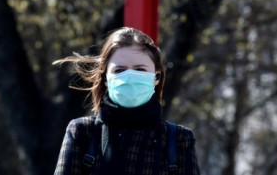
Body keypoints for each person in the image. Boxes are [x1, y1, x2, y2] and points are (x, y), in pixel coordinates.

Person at [53, 27, 200, 175]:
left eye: (140, 70)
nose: (129, 77)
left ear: (157, 77)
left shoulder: (179, 140)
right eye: (119, 70)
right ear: (105, 78)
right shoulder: (83, 132)